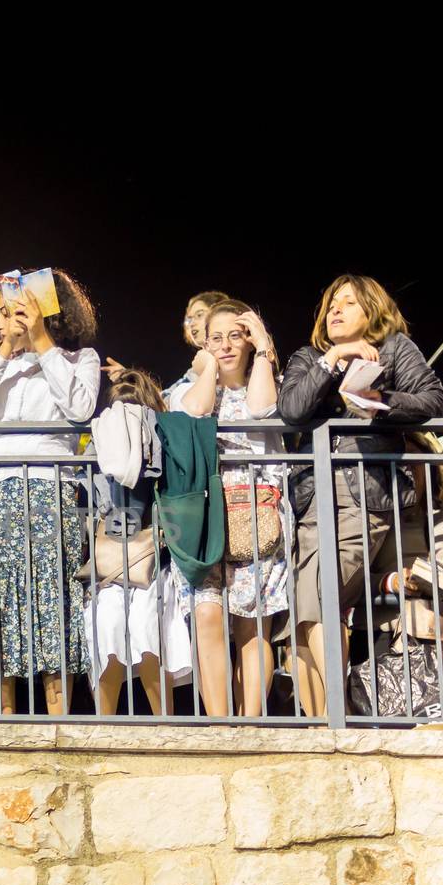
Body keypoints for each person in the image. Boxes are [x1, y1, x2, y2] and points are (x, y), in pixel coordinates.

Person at [279, 274, 443, 718]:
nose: (335, 310)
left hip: (362, 491)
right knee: (301, 613)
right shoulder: (310, 357)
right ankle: (321, 728)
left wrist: (380, 399)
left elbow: (431, 400)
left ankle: (338, 722)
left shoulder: (394, 348)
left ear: (371, 310)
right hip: (310, 498)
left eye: (348, 303)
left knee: (321, 596)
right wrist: (333, 358)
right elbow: (292, 409)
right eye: (332, 303)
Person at [0, 269, 101, 715]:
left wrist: (41, 340)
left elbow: (79, 409)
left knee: (49, 597)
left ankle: (57, 720)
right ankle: (4, 720)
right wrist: (3, 352)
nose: (8, 321)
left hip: (46, 486)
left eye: (17, 310)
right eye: (2, 313)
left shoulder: (81, 359)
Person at [169, 301, 289, 717]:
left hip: (255, 513)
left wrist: (264, 347)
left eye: (234, 336)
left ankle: (251, 725)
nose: (225, 346)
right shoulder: (195, 384)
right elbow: (195, 409)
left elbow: (259, 409)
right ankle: (220, 727)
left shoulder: (266, 378)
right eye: (215, 338)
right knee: (206, 614)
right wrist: (208, 370)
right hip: (206, 516)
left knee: (252, 626)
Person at [83, 367, 191, 715]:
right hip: (112, 556)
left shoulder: (163, 439)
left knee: (148, 626)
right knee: (106, 624)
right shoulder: (99, 443)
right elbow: (98, 504)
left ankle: (165, 726)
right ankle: (105, 725)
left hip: (157, 558)